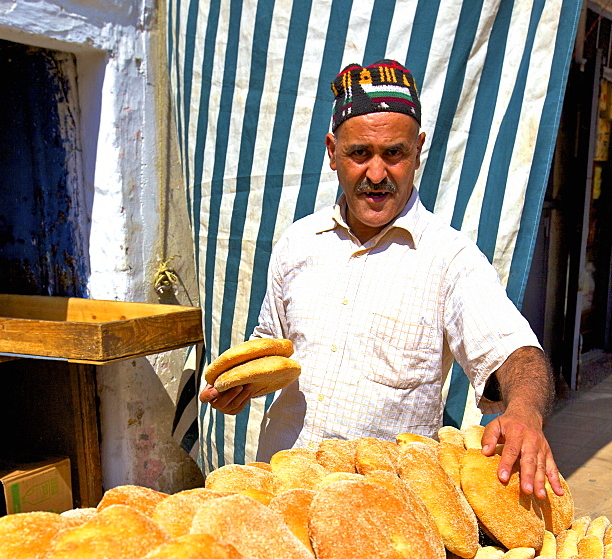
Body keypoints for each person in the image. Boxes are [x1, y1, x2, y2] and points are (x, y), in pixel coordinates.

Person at [200, 59, 562, 500]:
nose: (376, 174)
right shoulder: (299, 243)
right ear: (332, 151)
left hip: (383, 511)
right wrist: (241, 385)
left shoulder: (450, 260)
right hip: (283, 489)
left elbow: (517, 354)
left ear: (418, 151)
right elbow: (272, 346)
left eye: (394, 153)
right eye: (359, 153)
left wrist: (525, 412)